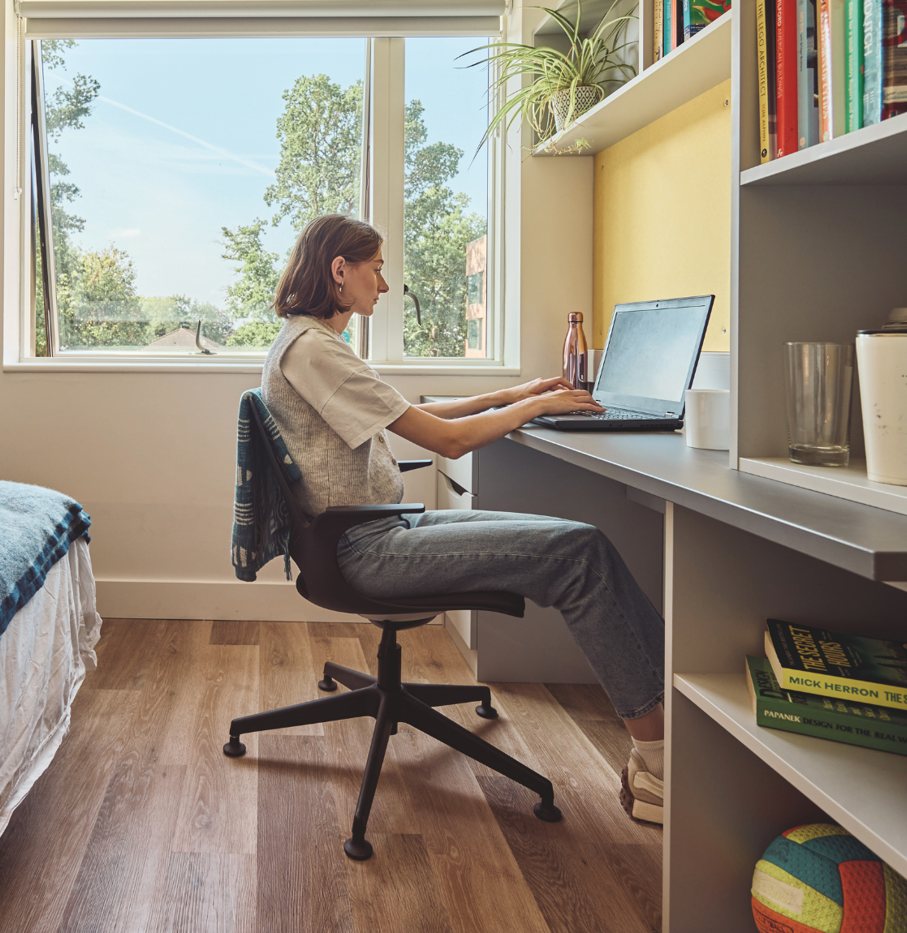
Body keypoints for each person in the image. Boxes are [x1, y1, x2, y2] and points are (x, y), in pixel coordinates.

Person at [260, 213, 668, 825]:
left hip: (372, 531)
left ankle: (667, 721)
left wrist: (514, 395)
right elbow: (447, 441)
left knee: (582, 545)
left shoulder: (311, 342)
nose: (385, 285)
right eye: (377, 269)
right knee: (580, 553)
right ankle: (660, 767)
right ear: (339, 270)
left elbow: (414, 414)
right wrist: (536, 407)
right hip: (365, 549)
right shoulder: (316, 350)